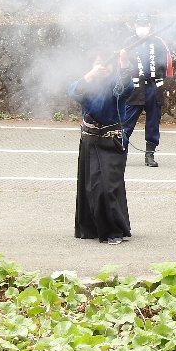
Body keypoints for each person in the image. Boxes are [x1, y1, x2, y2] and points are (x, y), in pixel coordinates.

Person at [70, 53, 134, 244]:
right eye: (99, 63)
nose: (104, 66)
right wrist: (90, 75)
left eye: (108, 63)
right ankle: (91, 228)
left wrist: (123, 63)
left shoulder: (115, 84)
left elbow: (125, 87)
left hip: (111, 142)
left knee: (106, 187)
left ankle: (114, 230)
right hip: (89, 140)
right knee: (89, 186)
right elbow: (73, 92)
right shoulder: (88, 83)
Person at [121, 14, 173, 167]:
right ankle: (120, 152)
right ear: (134, 25)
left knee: (153, 123)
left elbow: (167, 64)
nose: (142, 27)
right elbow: (123, 64)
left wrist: (162, 82)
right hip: (135, 87)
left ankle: (150, 155)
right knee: (126, 121)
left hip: (153, 88)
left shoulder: (159, 42)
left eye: (144, 24)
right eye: (139, 24)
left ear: (150, 25)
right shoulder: (129, 42)